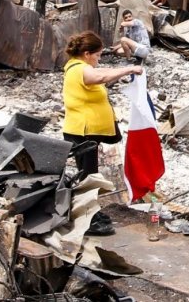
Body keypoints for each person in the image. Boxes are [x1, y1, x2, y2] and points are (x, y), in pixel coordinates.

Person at [61, 31, 143, 235]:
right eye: (97, 55)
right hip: (82, 132)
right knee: (87, 177)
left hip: (88, 132)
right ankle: (87, 220)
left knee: (90, 174)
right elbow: (101, 76)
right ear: (87, 54)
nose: (98, 60)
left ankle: (92, 212)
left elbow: (102, 72)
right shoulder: (78, 69)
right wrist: (128, 69)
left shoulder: (81, 67)